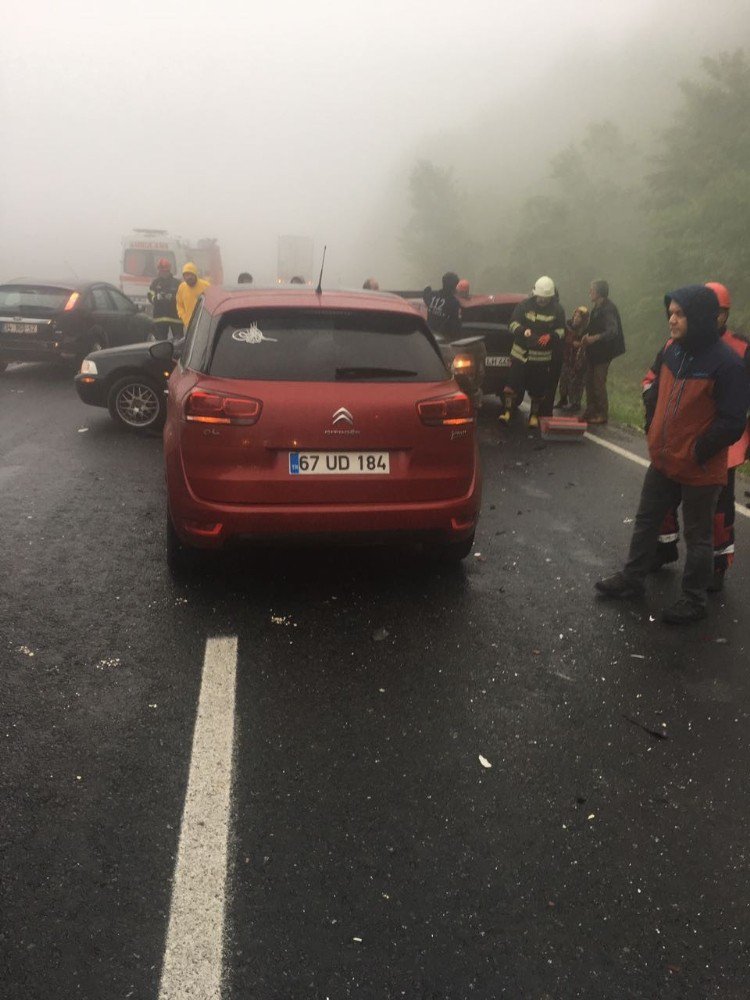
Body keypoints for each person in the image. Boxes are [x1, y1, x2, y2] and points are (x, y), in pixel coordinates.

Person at [595, 285, 748, 624]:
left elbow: (733, 421)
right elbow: (656, 392)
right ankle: (632, 580)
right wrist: (654, 431)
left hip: (699, 467)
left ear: (701, 318)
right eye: (671, 314)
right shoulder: (671, 351)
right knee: (647, 520)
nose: (672, 320)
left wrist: (698, 450)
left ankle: (694, 599)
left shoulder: (727, 364)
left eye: (680, 314)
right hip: (664, 460)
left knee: (699, 536)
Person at [647, 281, 750, 591]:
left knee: (717, 514)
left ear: (725, 314)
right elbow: (652, 380)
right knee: (665, 502)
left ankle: (715, 568)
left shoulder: (741, 349)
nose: (715, 318)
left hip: (722, 447)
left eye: (721, 313)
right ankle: (664, 548)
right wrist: (652, 421)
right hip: (677, 443)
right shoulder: (675, 345)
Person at [500, 275, 565, 428]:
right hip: (520, 355)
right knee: (511, 386)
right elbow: (512, 324)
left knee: (537, 390)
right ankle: (507, 412)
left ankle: (534, 416)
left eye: (546, 298)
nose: (542, 300)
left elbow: (562, 330)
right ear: (535, 293)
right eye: (540, 297)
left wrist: (551, 336)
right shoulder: (524, 305)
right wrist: (524, 331)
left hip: (542, 359)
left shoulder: (558, 309)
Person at [581, 279, 625, 425]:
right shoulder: (596, 308)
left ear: (599, 292)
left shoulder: (608, 309)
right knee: (589, 380)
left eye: (592, 289)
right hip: (593, 352)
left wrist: (595, 338)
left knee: (598, 381)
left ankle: (602, 413)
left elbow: (613, 331)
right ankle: (590, 410)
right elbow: (592, 327)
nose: (589, 292)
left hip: (604, 353)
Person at [556, 305, 589, 411]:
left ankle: (575, 403)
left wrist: (580, 344)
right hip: (567, 357)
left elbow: (585, 345)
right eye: (575, 316)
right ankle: (563, 399)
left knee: (576, 382)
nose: (576, 318)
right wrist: (571, 342)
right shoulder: (567, 326)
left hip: (579, 360)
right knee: (564, 379)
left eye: (579, 317)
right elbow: (563, 338)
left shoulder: (586, 330)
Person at [147, 258, 182, 340]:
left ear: (169, 270)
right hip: (159, 317)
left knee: (179, 341)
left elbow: (182, 298)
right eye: (161, 270)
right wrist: (156, 298)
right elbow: (150, 295)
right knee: (160, 342)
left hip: (175, 317)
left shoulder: (177, 283)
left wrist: (173, 297)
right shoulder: (155, 282)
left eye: (165, 271)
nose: (163, 272)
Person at [423, 272, 462, 339]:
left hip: (428, 334)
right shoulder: (453, 302)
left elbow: (425, 295)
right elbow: (455, 325)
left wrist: (427, 288)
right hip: (443, 338)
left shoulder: (432, 295)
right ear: (455, 286)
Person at [176, 262, 210, 328]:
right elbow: (179, 305)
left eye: (191, 274)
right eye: (186, 275)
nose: (189, 277)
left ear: (195, 274)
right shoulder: (182, 287)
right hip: (188, 326)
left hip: (203, 325)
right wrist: (184, 317)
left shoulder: (206, 286)